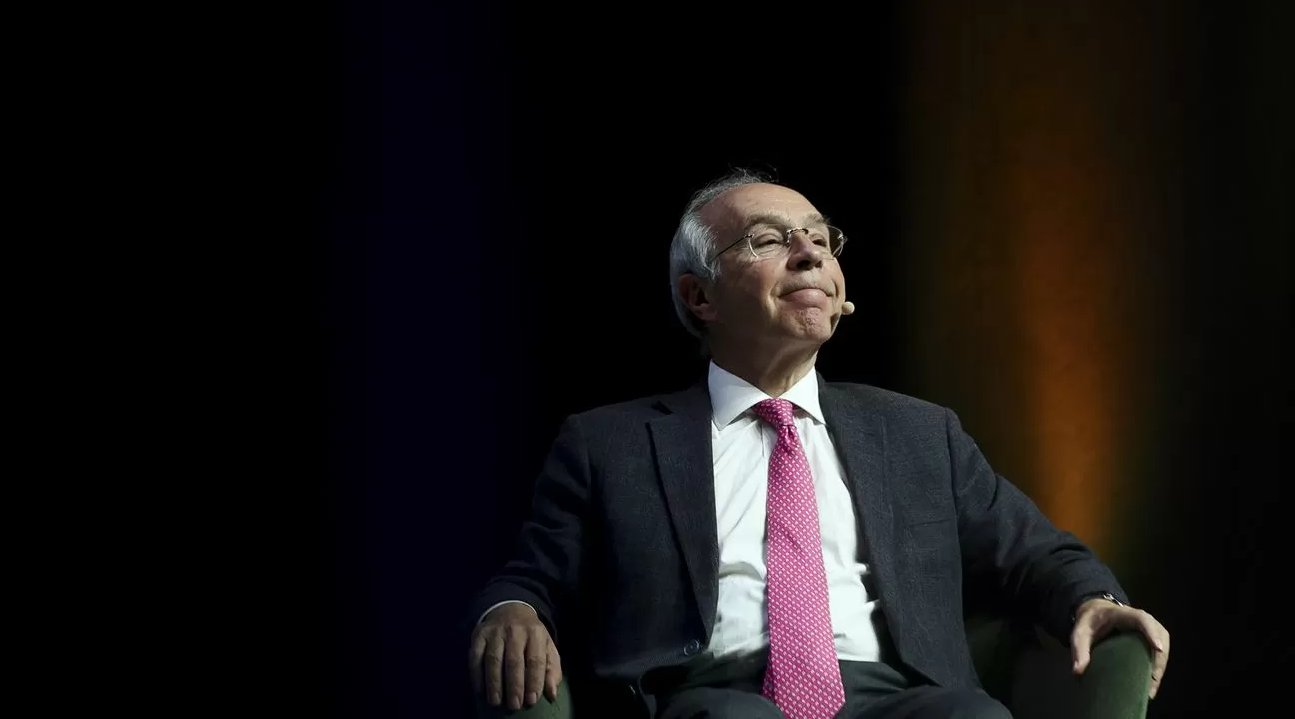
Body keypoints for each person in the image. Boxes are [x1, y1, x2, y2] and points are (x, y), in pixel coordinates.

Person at [465, 170, 1170, 719]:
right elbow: (532, 578)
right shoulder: (608, 443)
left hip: (897, 697)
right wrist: (513, 611)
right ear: (700, 297)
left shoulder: (920, 432)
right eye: (769, 241)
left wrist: (1093, 599)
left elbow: (1037, 552)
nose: (809, 254)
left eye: (821, 241)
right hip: (713, 696)